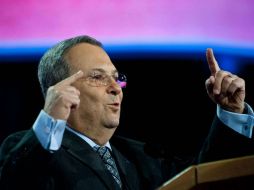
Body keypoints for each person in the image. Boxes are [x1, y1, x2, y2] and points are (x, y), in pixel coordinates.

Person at [0, 35, 253, 190]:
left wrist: (231, 113)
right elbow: (18, 182)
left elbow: (208, 177)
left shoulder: (142, 157)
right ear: (60, 90)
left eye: (116, 78)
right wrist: (50, 120)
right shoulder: (35, 151)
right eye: (98, 77)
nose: (116, 89)